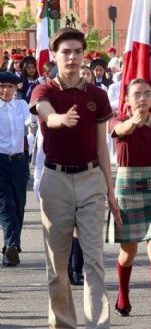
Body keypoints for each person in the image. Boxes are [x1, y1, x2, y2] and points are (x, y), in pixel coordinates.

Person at [30, 28, 119, 328]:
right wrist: (59, 119)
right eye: (65, 52)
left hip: (91, 179)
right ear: (54, 56)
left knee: (94, 260)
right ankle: (64, 324)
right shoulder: (44, 90)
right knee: (57, 267)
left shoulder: (97, 95)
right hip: (55, 181)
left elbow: (102, 149)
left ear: (84, 56)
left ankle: (98, 324)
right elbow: (45, 113)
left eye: (77, 52)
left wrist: (110, 191)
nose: (71, 57)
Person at [110, 78, 151, 322]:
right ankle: (123, 296)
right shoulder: (119, 122)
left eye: (147, 94)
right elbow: (120, 131)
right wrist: (132, 123)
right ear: (126, 99)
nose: (142, 99)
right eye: (136, 94)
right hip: (127, 187)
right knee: (129, 251)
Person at [0, 72, 29, 267]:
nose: (5, 90)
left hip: (19, 162)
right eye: (1, 86)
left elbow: (31, 123)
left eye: (9, 86)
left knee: (19, 205)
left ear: (15, 88)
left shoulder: (22, 106)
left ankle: (11, 247)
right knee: (6, 205)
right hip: (0, 162)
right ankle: (12, 245)